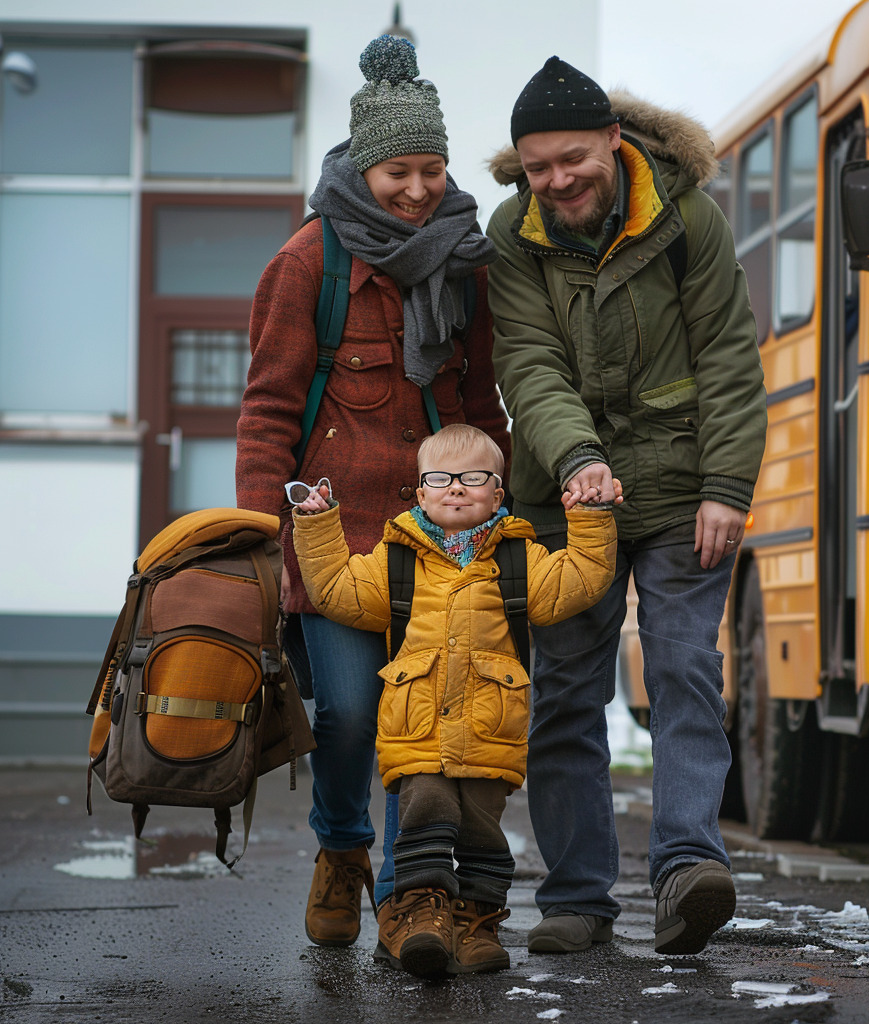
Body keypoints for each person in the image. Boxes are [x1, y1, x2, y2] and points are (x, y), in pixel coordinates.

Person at [485, 57, 768, 957]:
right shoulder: (513, 236)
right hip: (569, 499)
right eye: (539, 168)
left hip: (684, 486)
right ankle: (577, 897)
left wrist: (727, 487)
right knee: (565, 692)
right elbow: (527, 363)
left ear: (615, 140)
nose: (559, 180)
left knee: (684, 668)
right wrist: (575, 460)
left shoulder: (687, 218)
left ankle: (689, 869)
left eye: (574, 158)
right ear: (521, 169)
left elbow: (727, 353)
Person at [235, 35, 511, 951]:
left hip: (445, 548)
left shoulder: (463, 263)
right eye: (400, 170)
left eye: (433, 169)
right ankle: (343, 851)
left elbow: (479, 407)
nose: (419, 190)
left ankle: (408, 894)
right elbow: (269, 410)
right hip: (338, 547)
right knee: (352, 715)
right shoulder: (309, 264)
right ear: (363, 166)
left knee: (427, 731)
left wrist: (500, 516)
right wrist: (260, 543)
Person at [290, 423, 619, 978]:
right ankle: (419, 915)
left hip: (492, 734)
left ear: (499, 491)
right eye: (440, 478)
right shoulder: (394, 562)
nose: (456, 488)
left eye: (473, 478)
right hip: (416, 733)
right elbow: (336, 591)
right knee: (425, 814)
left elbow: (581, 579)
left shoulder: (520, 559)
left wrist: (591, 520)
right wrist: (319, 526)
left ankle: (476, 924)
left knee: (482, 832)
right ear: (420, 492)